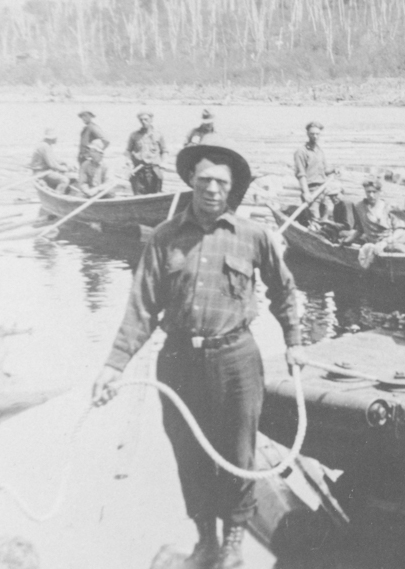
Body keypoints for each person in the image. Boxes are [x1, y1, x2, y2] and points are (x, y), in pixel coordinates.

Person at [91, 135, 302, 569]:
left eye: (221, 183)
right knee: (189, 454)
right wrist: (114, 365)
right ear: (190, 180)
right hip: (178, 362)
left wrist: (295, 342)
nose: (211, 190)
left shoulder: (253, 235)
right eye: (204, 180)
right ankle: (206, 539)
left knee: (238, 453)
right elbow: (142, 305)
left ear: (231, 189)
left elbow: (285, 291)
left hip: (236, 360)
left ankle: (233, 545)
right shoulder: (165, 237)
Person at [293, 121, 335, 220]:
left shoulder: (320, 151)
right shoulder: (301, 152)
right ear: (307, 134)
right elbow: (301, 174)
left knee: (326, 215)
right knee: (314, 217)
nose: (315, 136)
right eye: (312, 134)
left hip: (323, 189)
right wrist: (306, 192)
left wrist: (333, 170)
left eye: (317, 134)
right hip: (311, 190)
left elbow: (324, 171)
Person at [126, 111, 167, 195]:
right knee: (138, 196)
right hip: (138, 170)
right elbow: (128, 151)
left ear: (151, 120)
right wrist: (129, 163)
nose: (143, 121)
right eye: (141, 120)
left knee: (156, 195)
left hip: (154, 169)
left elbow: (164, 151)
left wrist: (163, 163)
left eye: (146, 119)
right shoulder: (134, 135)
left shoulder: (158, 135)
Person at [30, 128, 75, 193]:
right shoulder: (44, 146)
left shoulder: (46, 145)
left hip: (45, 172)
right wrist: (65, 169)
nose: (57, 139)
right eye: (56, 137)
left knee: (70, 176)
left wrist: (65, 163)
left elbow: (54, 159)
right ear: (52, 138)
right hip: (41, 174)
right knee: (64, 180)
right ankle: (58, 196)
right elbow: (53, 165)